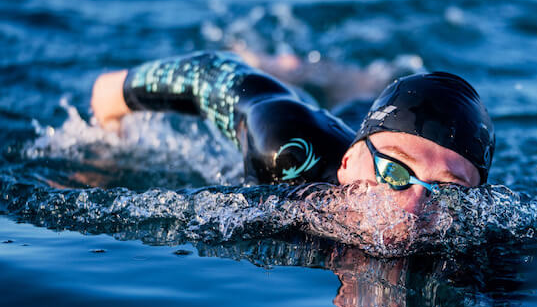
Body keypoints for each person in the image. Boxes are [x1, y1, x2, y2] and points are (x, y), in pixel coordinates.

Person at [91, 51, 495, 214]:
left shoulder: (479, 240)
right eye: (393, 173)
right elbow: (208, 76)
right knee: (351, 99)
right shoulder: (284, 143)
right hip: (323, 124)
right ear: (348, 164)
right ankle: (294, 67)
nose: (411, 210)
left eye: (449, 190)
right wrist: (108, 135)